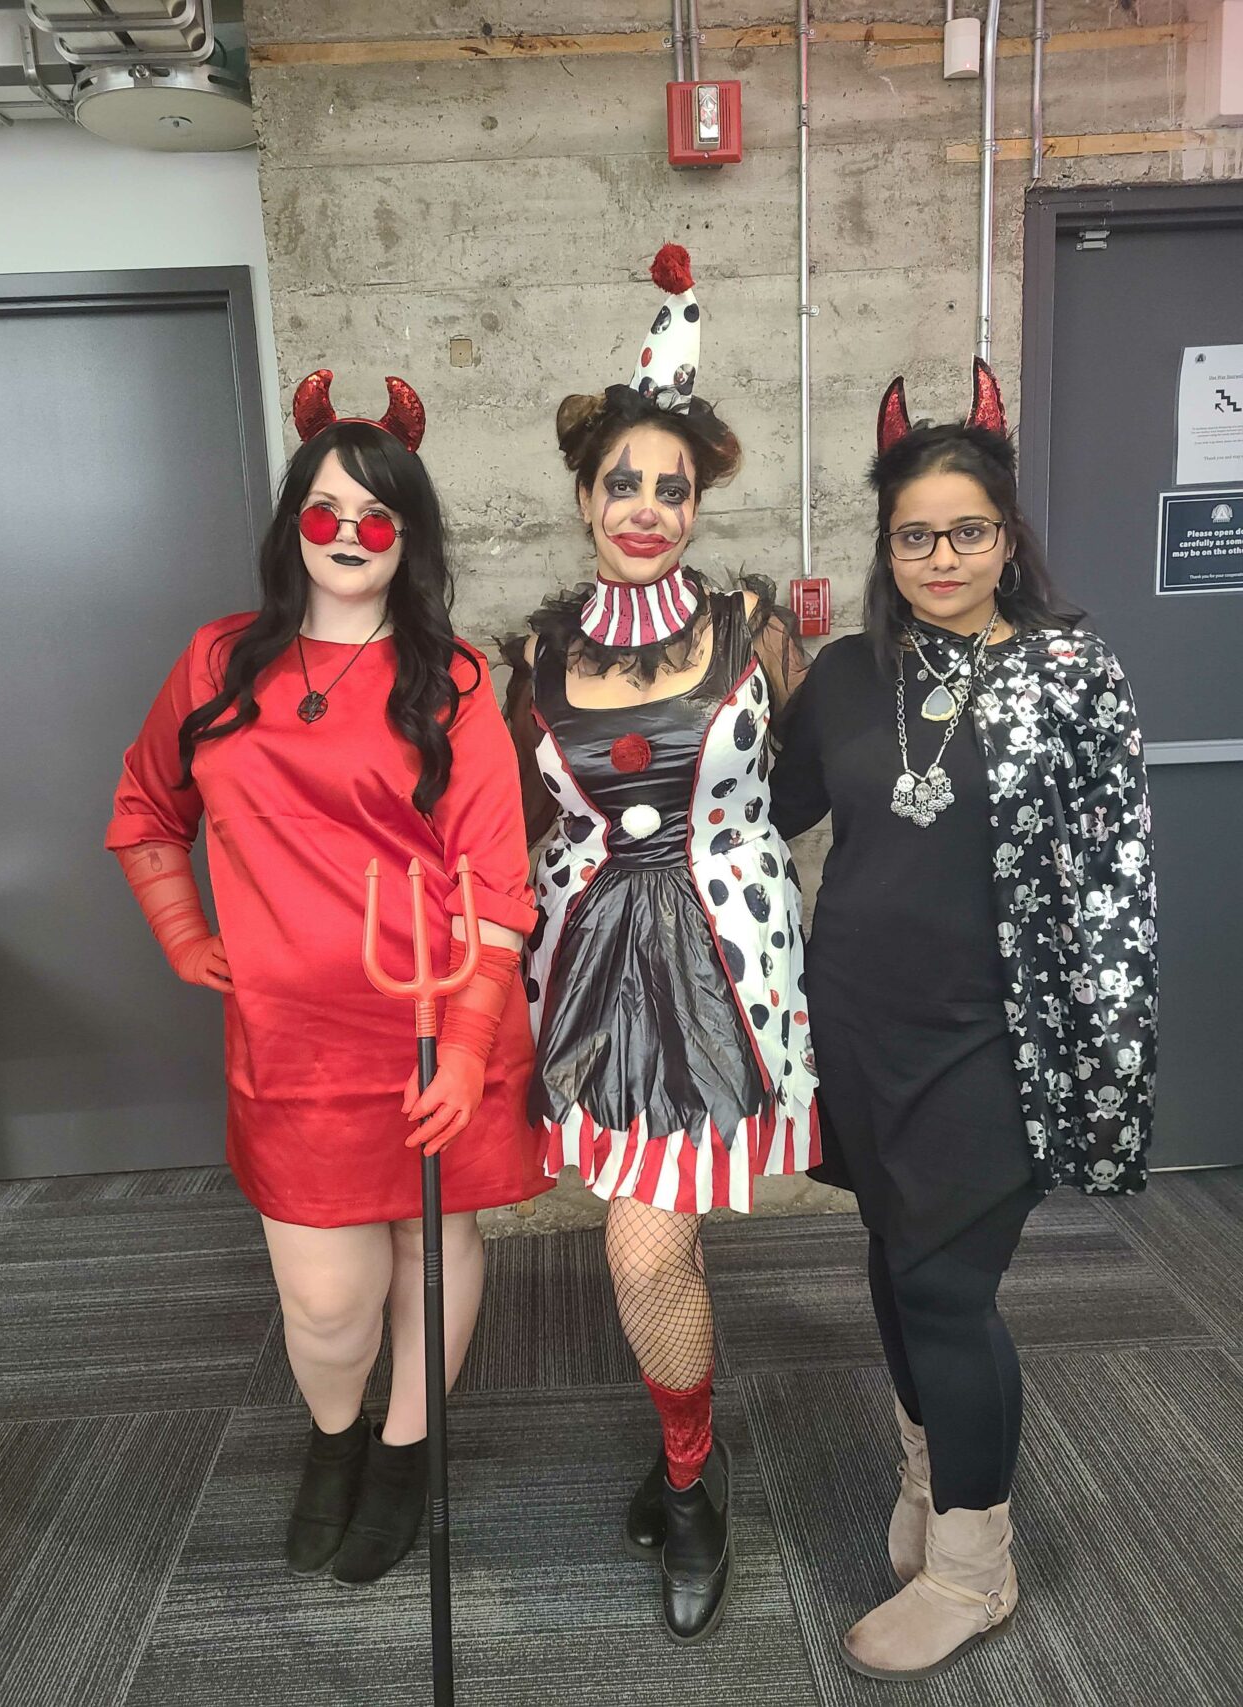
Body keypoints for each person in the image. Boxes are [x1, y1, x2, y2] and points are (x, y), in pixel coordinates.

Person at [107, 368, 550, 1585]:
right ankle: (334, 1435)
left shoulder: (450, 679)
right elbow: (149, 808)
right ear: (289, 522)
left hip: (433, 1026)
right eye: (325, 510)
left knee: (430, 1247)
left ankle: (407, 1447)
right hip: (294, 1043)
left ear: (407, 537)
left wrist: (466, 1046)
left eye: (377, 516)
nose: (349, 536)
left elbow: (497, 882)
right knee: (325, 1302)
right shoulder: (215, 664)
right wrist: (181, 929)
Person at [771, 360, 1157, 1681]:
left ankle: (972, 1565)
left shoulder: (1070, 670)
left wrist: (1104, 1067)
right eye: (915, 533)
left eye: (969, 529)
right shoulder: (844, 675)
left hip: (1000, 1036)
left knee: (946, 1282)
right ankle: (932, 1468)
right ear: (886, 544)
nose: (943, 555)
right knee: (891, 1256)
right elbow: (762, 822)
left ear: (1009, 534)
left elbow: (1115, 876)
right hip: (857, 1026)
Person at [504, 246, 819, 1645]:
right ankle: (684, 1445)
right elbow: (494, 824)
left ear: (698, 501)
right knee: (641, 1250)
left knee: (642, 1254)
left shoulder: (755, 633)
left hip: (719, 981)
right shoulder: (530, 657)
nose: (644, 504)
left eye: (670, 484)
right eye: (621, 480)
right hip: (587, 982)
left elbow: (820, 786)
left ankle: (694, 1483)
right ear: (583, 495)